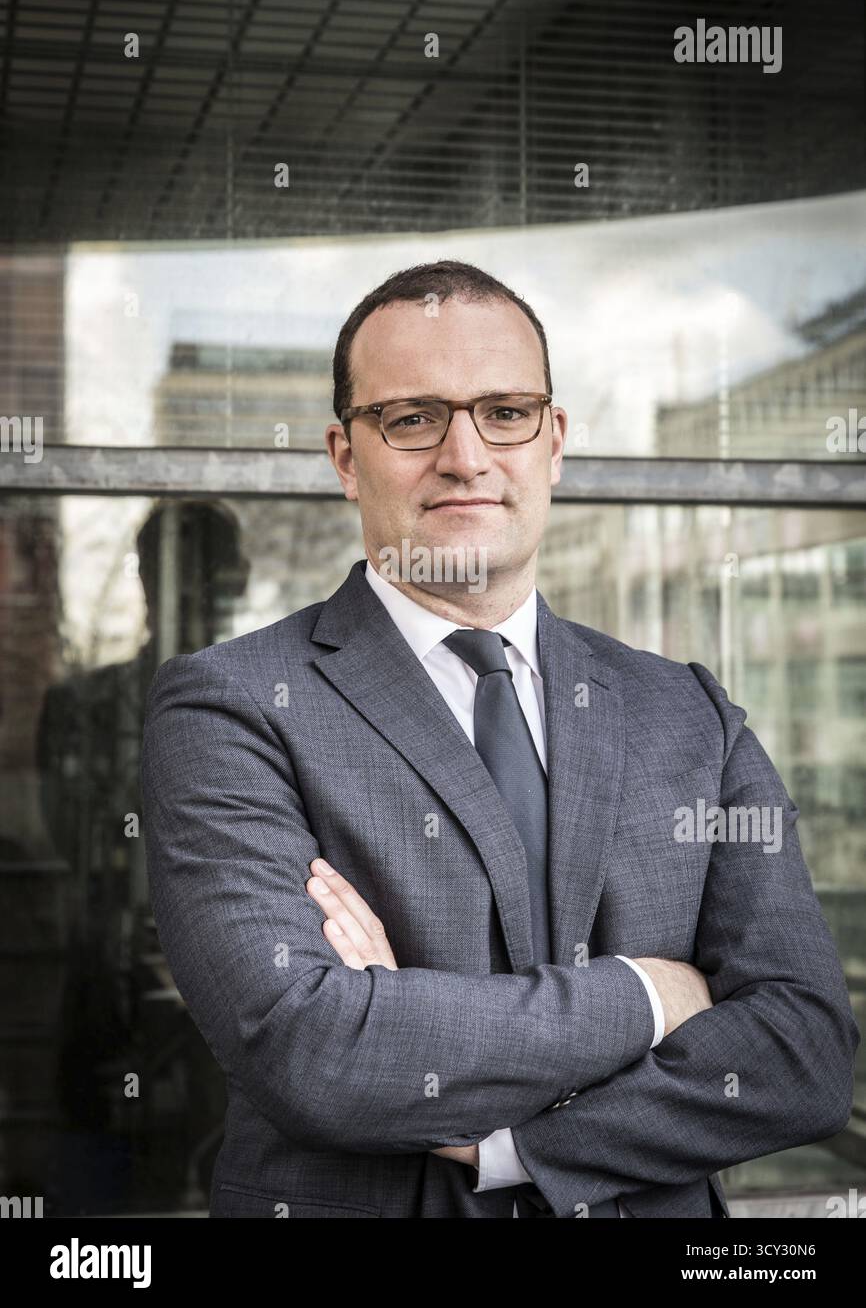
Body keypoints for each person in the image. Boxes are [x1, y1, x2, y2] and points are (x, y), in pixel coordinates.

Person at [140, 260, 859, 1218]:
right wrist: (650, 995)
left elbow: (805, 1053)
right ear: (345, 457)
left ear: (553, 442)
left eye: (505, 413)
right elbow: (310, 1049)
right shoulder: (231, 706)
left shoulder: (688, 712)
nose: (466, 456)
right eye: (412, 419)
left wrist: (510, 1141)